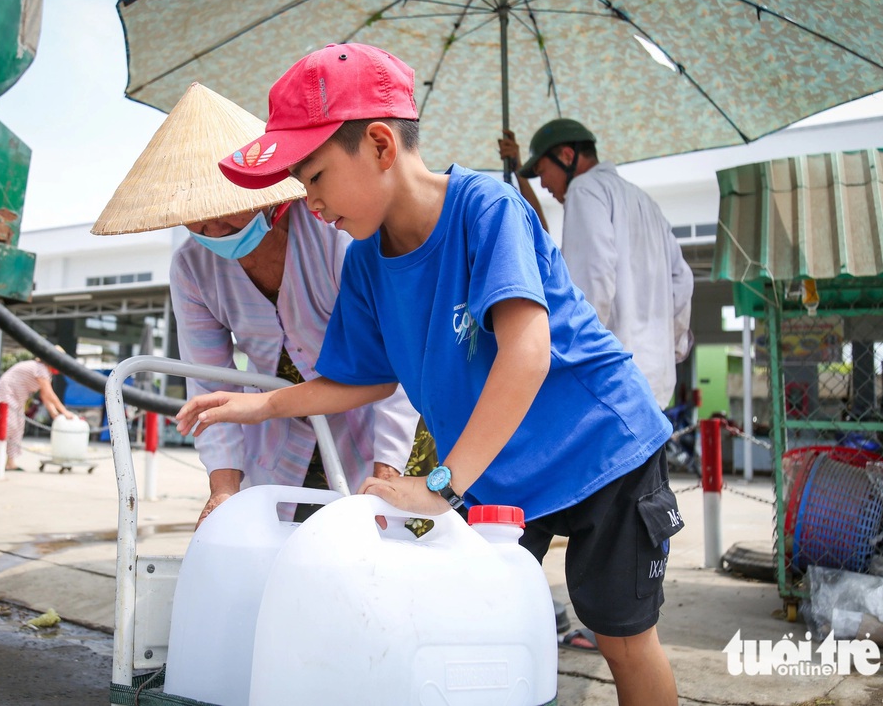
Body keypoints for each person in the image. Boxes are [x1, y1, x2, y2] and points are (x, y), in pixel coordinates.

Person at [178, 44, 683, 705]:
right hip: (501, 469)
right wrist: (261, 406)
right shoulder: (364, 262)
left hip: (601, 448)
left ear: (381, 144)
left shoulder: (485, 209)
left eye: (316, 178)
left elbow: (526, 354)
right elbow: (364, 378)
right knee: (474, 621)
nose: (312, 203)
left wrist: (442, 482)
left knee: (620, 635)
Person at [94, 82, 433, 529]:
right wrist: (223, 489)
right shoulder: (192, 269)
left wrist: (386, 474)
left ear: (265, 196)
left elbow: (399, 368)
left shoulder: (336, 234)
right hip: (281, 438)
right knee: (286, 554)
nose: (213, 228)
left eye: (228, 211)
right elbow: (208, 386)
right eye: (198, 216)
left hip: (384, 425)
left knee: (393, 554)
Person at [506, 120, 694, 409]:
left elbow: (591, 285)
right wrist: (672, 347)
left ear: (567, 156)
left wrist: (573, 362)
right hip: (656, 382)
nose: (543, 184)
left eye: (543, 172)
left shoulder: (584, 190)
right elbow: (682, 283)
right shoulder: (645, 202)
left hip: (611, 381)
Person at [0, 356, 74, 471]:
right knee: (8, 424)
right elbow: (49, 393)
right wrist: (64, 411)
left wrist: (54, 413)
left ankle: (10, 462)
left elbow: (45, 396)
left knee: (18, 428)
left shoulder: (46, 373)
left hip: (19, 398)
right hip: (7, 393)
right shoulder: (41, 369)